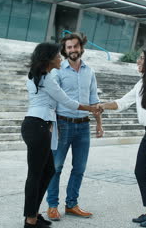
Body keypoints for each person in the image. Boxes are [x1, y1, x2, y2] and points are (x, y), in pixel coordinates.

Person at [21, 42, 100, 228]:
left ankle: (33, 214)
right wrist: (91, 108)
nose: (60, 57)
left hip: (37, 125)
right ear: (48, 58)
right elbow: (66, 101)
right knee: (35, 175)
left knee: (47, 171)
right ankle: (30, 220)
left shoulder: (37, 76)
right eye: (57, 55)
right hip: (37, 127)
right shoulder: (46, 79)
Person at [99, 49, 146, 227]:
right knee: (140, 172)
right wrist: (103, 105)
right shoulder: (142, 83)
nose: (138, 61)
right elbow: (123, 102)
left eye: (141, 58)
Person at [46, 32, 103, 221]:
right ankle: (52, 206)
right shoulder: (58, 70)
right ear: (65, 50)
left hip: (83, 126)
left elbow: (94, 101)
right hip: (63, 124)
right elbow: (52, 99)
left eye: (75, 46)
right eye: (69, 47)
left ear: (81, 48)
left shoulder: (89, 71)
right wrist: (51, 125)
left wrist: (99, 125)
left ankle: (72, 205)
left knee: (79, 168)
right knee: (56, 167)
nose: (72, 50)